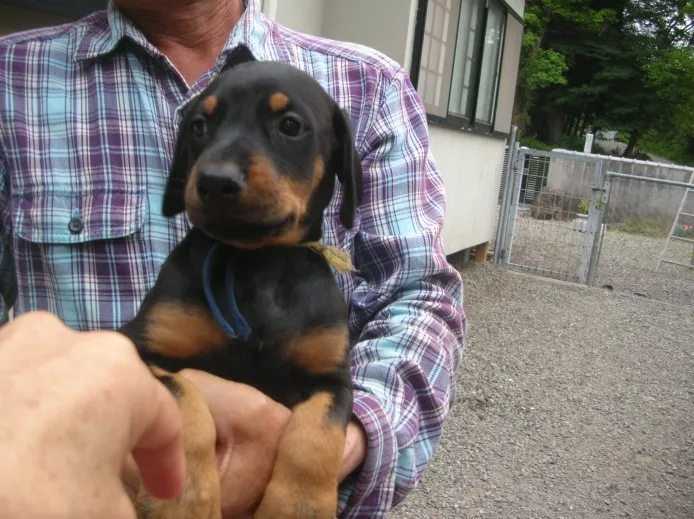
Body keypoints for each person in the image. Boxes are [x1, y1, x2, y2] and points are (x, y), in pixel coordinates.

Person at [0, 0, 468, 517]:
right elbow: (131, 360)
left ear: (339, 170)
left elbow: (418, 296)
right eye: (202, 132)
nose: (219, 170)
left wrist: (327, 456)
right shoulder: (8, 77)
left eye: (288, 127)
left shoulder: (370, 84)